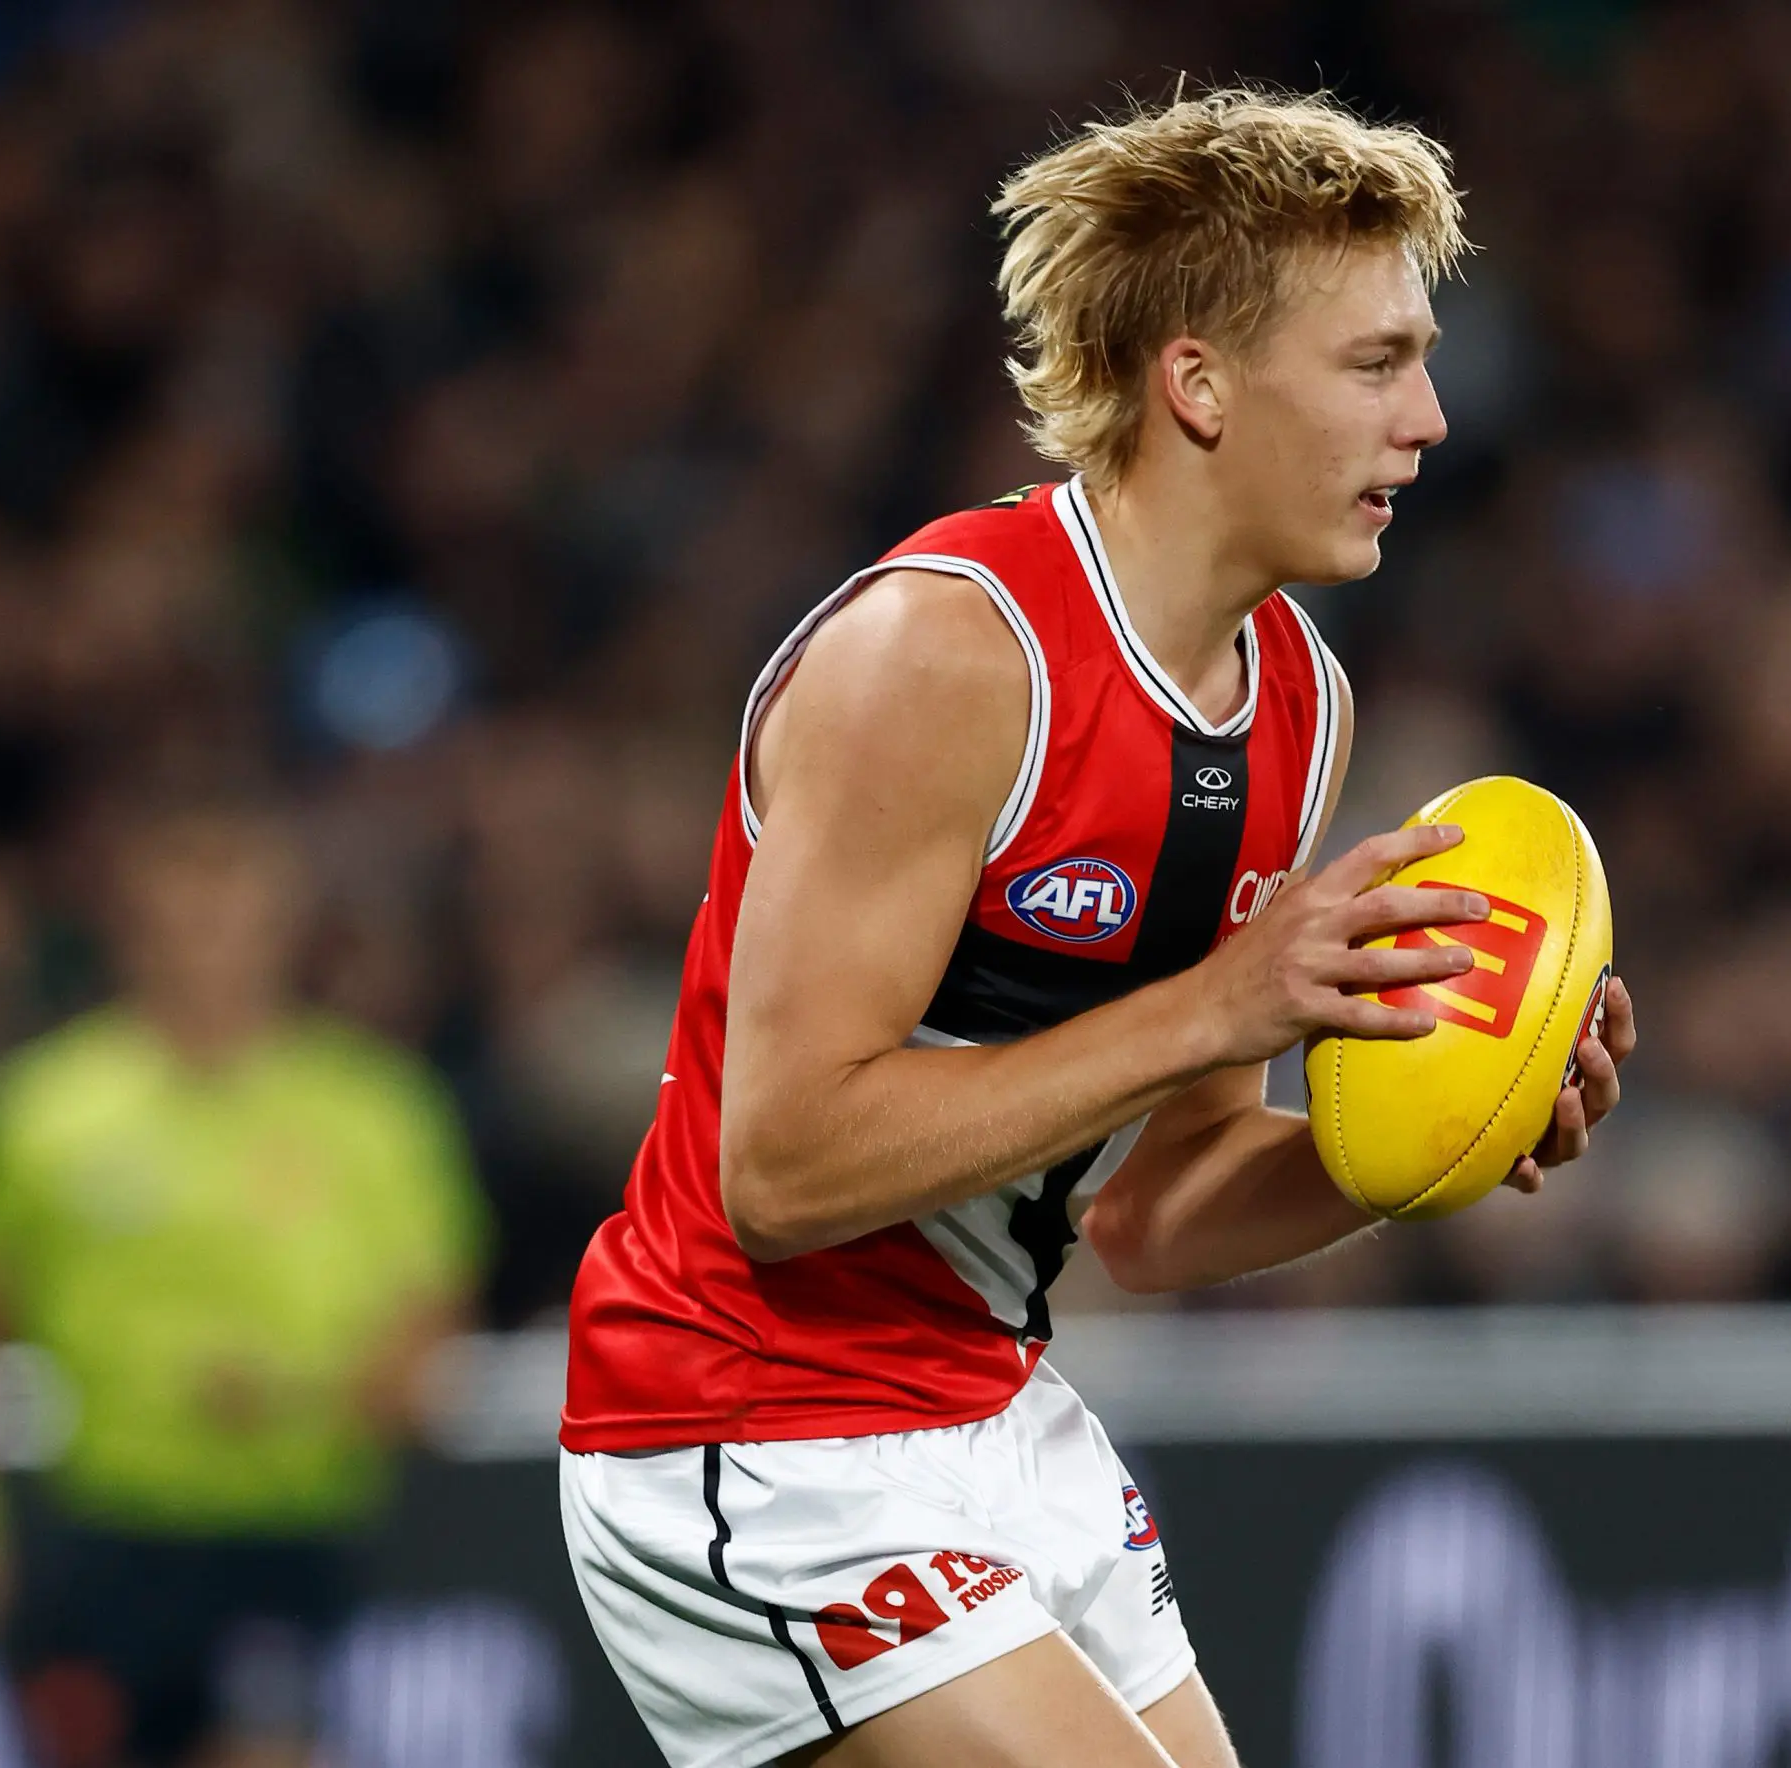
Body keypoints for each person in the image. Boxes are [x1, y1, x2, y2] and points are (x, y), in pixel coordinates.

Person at [558, 88, 1637, 1767]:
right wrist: (1217, 1006)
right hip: (751, 1422)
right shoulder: (945, 657)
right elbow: (776, 1171)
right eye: (1373, 364)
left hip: (992, 1404)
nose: (1427, 418)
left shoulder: (1297, 708)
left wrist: (1428, 1140)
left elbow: (1149, 1215)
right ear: (1196, 382)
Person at [0, 799, 491, 1768]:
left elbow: (426, 1354)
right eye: (178, 922)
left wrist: (294, 1397)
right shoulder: (47, 1109)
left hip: (290, 1532)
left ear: (285, 931)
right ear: (128, 933)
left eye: (231, 920)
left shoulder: (374, 1112)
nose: (206, 950)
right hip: (103, 1531)